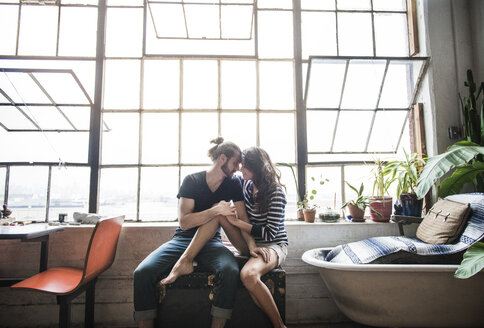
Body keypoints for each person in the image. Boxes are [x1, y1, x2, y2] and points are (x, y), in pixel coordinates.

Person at [162, 146, 288, 328]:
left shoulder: (276, 193)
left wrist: (237, 223)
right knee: (218, 210)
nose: (239, 169)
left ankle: (279, 325)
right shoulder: (245, 184)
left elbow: (270, 233)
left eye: (245, 166)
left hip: (273, 245)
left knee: (249, 275)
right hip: (249, 242)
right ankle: (185, 260)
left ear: (257, 168)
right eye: (240, 164)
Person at [133, 137, 251, 328]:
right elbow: (185, 222)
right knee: (142, 272)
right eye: (235, 162)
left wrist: (250, 247)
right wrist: (215, 211)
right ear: (222, 159)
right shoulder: (192, 181)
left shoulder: (233, 183)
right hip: (182, 239)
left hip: (211, 242)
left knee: (230, 271)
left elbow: (243, 218)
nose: (238, 167)